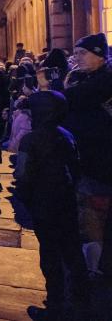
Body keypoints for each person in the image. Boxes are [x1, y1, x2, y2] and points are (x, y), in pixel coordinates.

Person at [17, 91, 88, 320]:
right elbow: (76, 169)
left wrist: (26, 200)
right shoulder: (66, 134)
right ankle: (80, 299)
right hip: (66, 201)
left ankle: (55, 306)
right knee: (72, 251)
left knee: (50, 255)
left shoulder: (31, 139)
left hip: (44, 203)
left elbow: (23, 175)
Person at [63, 33, 112, 277]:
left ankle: (94, 269)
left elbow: (71, 100)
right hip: (89, 160)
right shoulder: (87, 78)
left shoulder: (104, 81)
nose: (77, 57)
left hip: (99, 162)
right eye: (76, 53)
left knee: (94, 215)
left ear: (100, 55)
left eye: (83, 53)